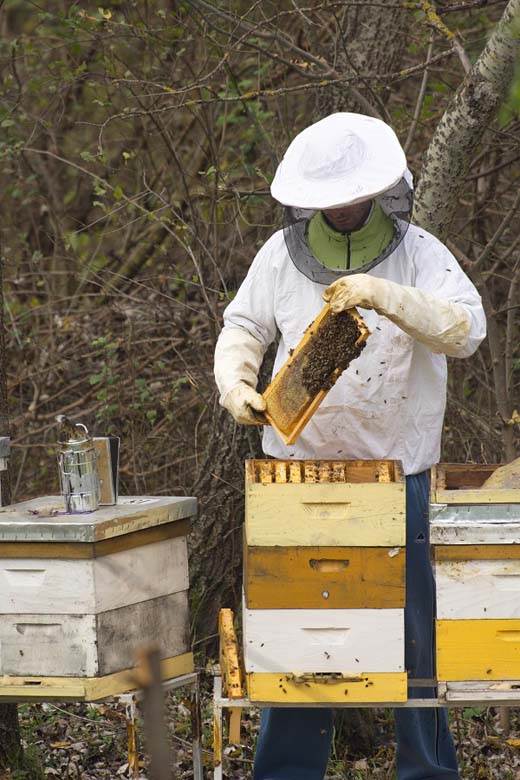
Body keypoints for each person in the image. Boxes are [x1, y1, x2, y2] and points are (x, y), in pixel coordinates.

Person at [214, 112, 486, 780]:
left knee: (413, 637)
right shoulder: (280, 256)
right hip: (297, 480)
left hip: (398, 477)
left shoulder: (419, 252)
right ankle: (286, 772)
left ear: (379, 191)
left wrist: (385, 295)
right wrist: (237, 386)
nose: (342, 207)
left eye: (354, 194)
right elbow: (242, 326)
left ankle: (426, 772)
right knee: (294, 636)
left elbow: (466, 328)